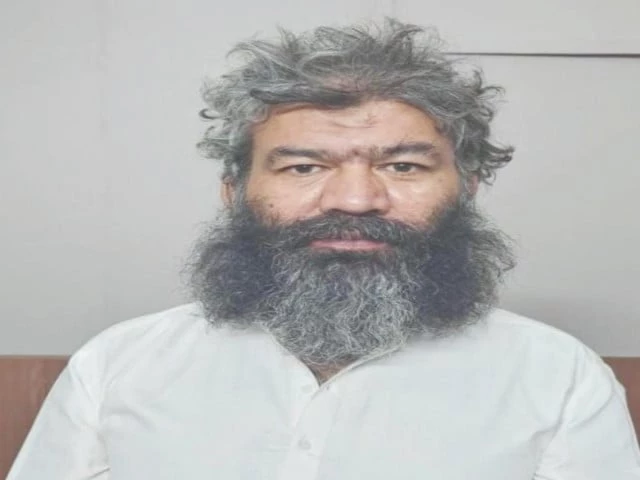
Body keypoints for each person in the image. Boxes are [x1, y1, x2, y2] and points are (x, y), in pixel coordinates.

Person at [8, 19, 640, 480]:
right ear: (234, 191)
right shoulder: (116, 366)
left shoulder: (558, 378)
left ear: (466, 189)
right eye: (304, 167)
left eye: (403, 165)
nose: (356, 200)